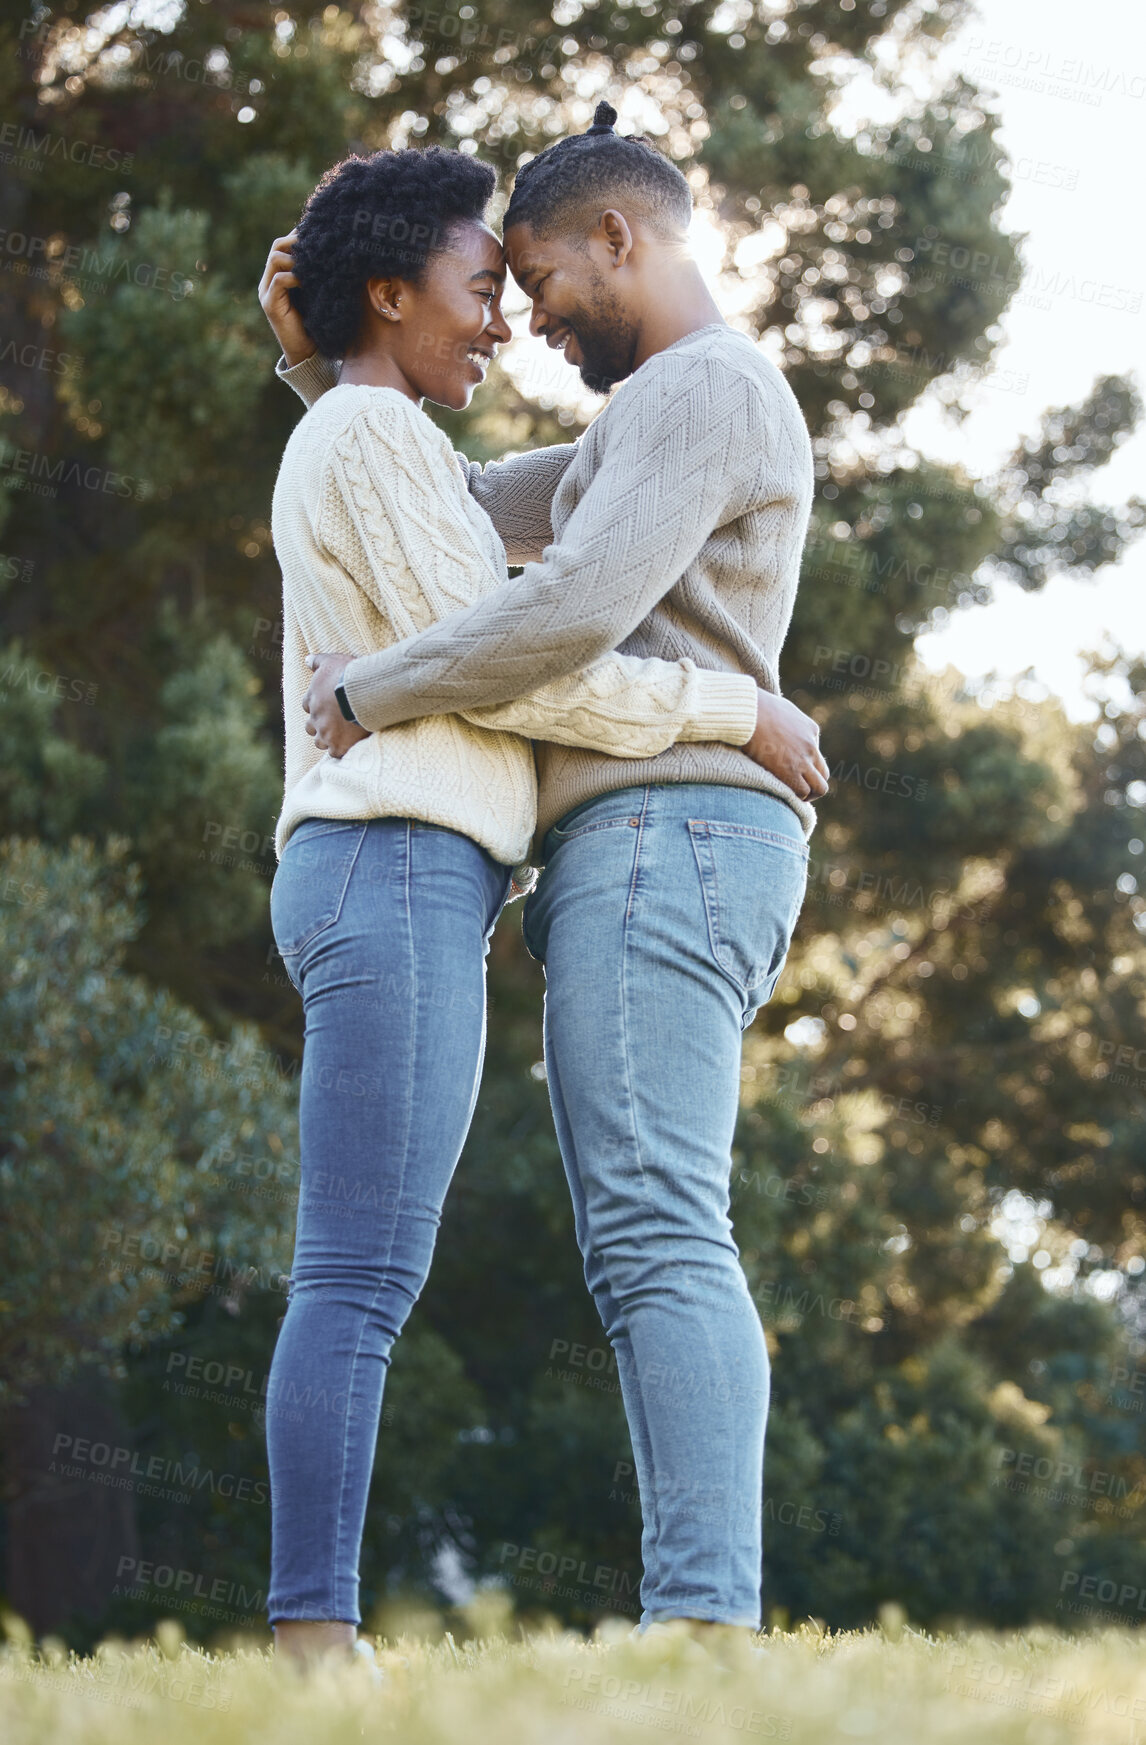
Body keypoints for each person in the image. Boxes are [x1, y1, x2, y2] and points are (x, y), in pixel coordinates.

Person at [260, 141, 823, 1669]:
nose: (527, 318)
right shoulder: (633, 430)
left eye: (543, 276)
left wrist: (370, 685)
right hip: (634, 836)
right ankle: (694, 1615)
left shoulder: (697, 391)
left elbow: (555, 612)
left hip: (670, 826)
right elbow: (433, 512)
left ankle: (705, 1622)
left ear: (620, 234)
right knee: (634, 1230)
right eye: (489, 287)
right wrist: (329, 370)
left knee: (653, 1227)